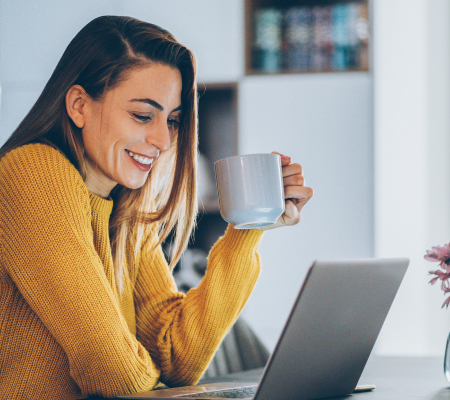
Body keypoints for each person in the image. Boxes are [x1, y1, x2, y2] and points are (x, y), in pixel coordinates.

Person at [0, 15, 313, 399]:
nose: (164, 140)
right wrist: (156, 380)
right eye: (143, 116)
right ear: (79, 105)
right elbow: (113, 373)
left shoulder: (125, 209)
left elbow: (177, 358)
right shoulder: (32, 172)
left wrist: (249, 228)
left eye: (173, 120)